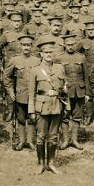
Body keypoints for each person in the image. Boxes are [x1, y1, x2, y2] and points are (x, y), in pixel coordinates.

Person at [27, 36, 66, 174]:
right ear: (41, 54)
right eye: (46, 53)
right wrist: (31, 110)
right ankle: (41, 163)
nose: (49, 55)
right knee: (41, 136)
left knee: (53, 136)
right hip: (41, 107)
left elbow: (64, 89)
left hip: (56, 106)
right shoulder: (35, 70)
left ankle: (50, 163)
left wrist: (67, 106)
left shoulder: (60, 68)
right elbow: (31, 93)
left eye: (51, 52)